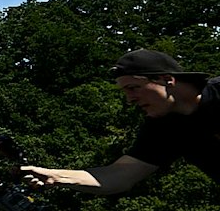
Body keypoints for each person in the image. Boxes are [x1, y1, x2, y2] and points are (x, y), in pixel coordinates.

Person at [25, 49, 217, 196]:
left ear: (167, 80)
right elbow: (118, 176)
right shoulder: (162, 128)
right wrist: (56, 176)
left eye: (133, 88)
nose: (130, 99)